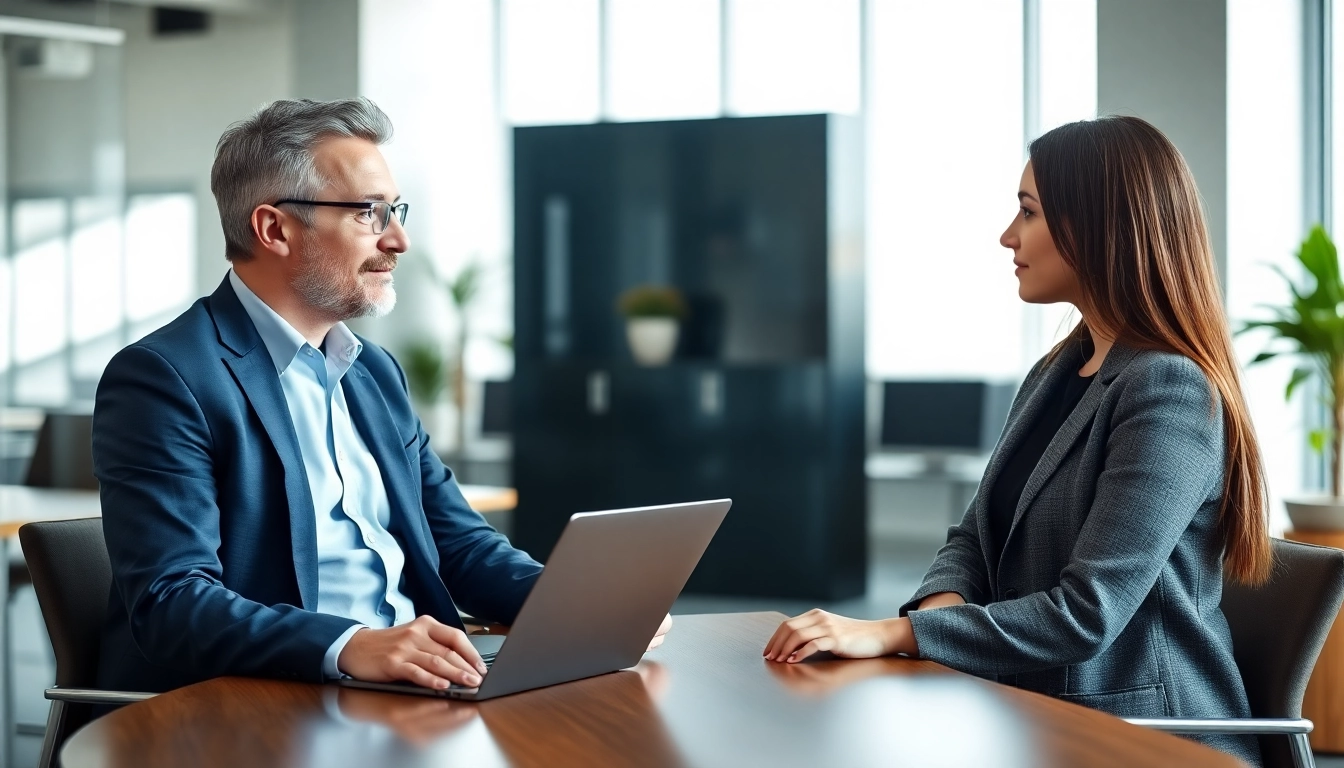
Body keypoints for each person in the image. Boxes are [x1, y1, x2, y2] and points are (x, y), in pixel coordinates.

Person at [92, 97, 670, 695]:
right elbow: (171, 601)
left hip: (410, 691)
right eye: (369, 213)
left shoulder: (373, 372)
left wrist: (580, 601)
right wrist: (350, 645)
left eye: (395, 210)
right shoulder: (165, 378)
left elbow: (456, 543)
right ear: (275, 229)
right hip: (267, 699)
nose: (398, 240)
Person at [762, 115, 1270, 766]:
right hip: (1033, 713)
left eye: (1028, 212)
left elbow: (1087, 613)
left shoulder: (1168, 391)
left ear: (1098, 228)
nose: (1008, 236)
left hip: (1147, 739)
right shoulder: (1056, 371)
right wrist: (937, 620)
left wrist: (896, 634)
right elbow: (975, 537)